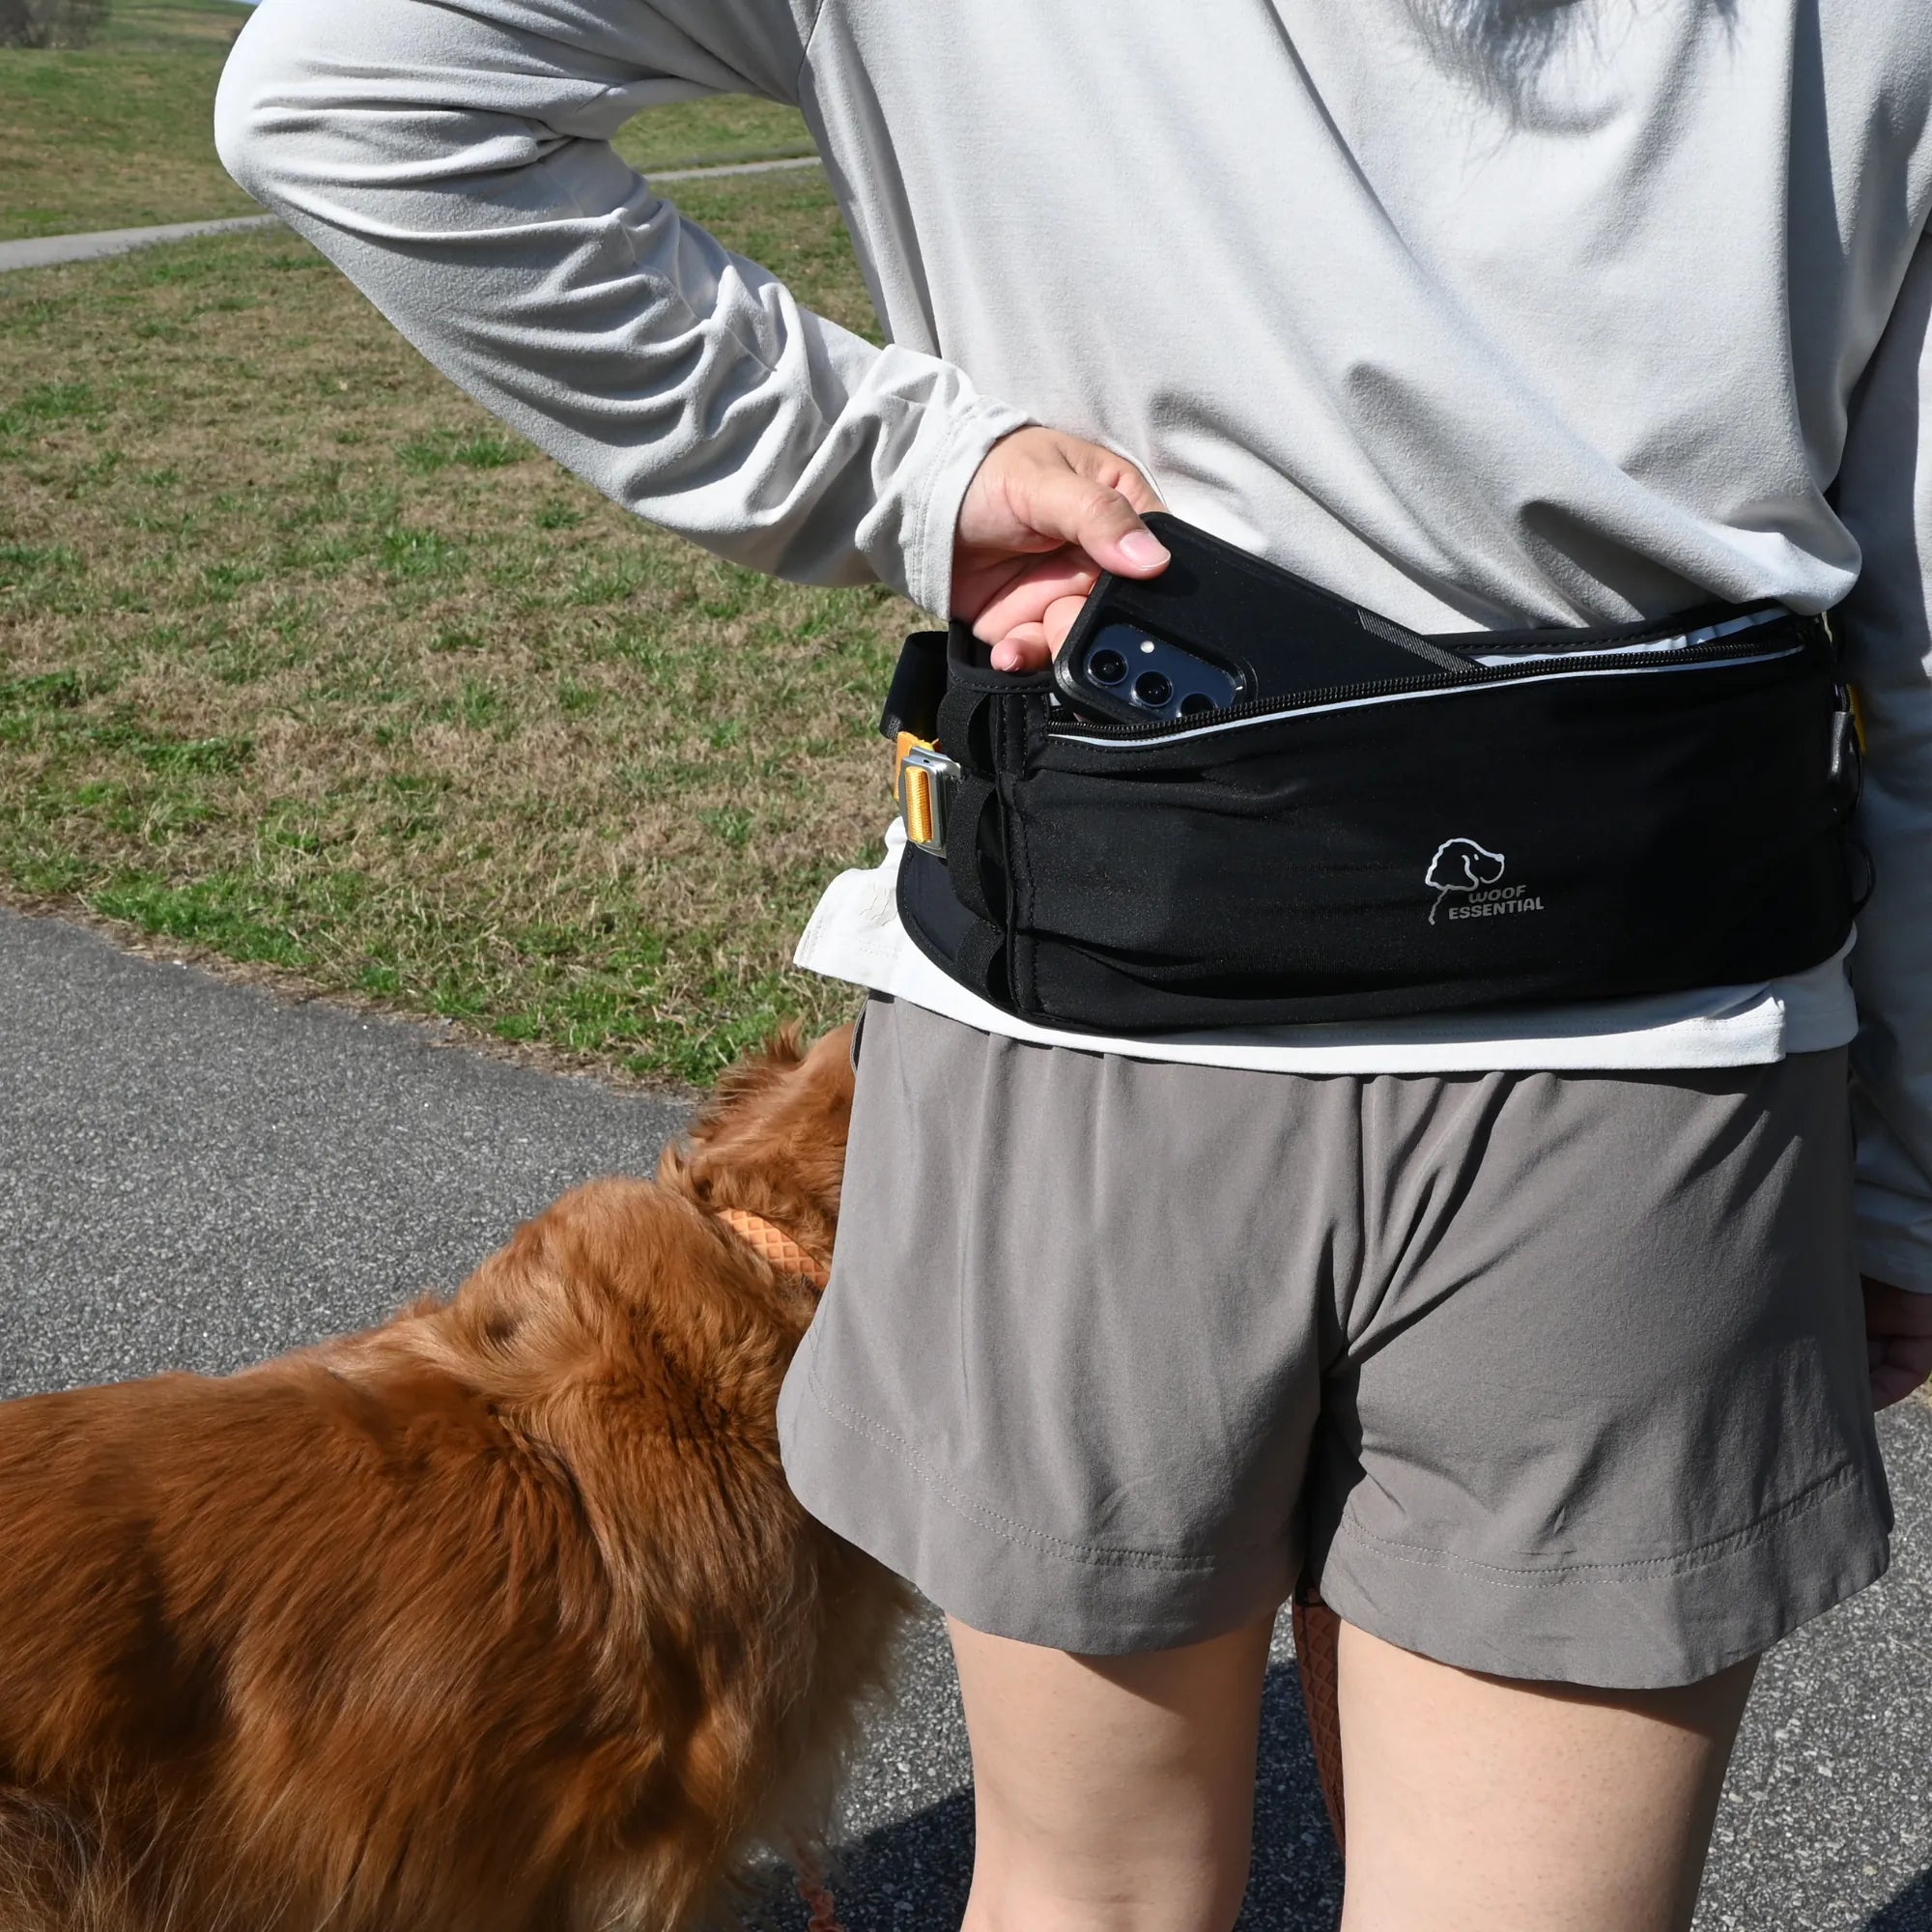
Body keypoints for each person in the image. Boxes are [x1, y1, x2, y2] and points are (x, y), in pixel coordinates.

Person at [215, 4, 1932, 1925]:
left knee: (1088, 1891)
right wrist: (1906, 1177)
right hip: (1655, 1075)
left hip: (1089, 1043)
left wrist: (898, 471)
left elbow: (350, 98)